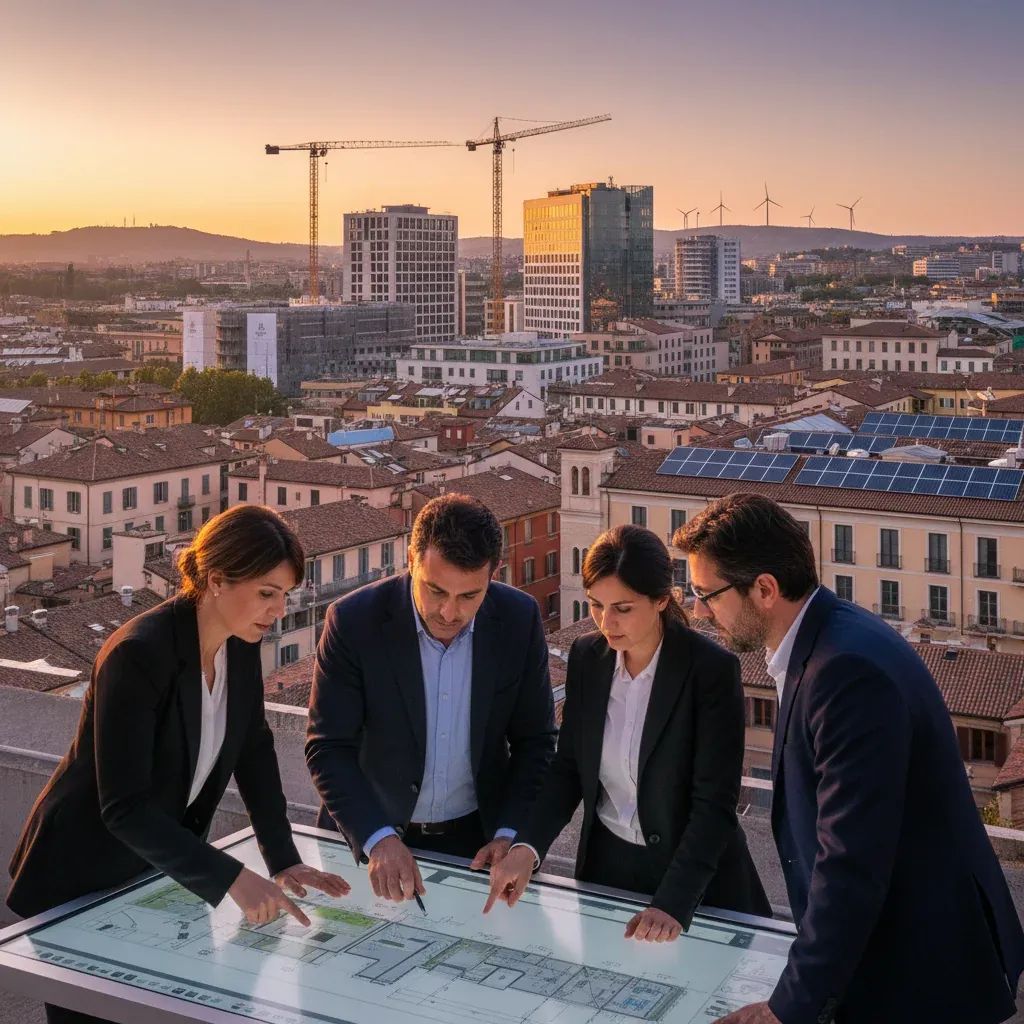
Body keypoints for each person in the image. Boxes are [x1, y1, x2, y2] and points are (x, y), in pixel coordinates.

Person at [674, 492, 1024, 1024]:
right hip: (900, 953)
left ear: (764, 589)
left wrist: (788, 1007)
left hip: (920, 974)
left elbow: (851, 862)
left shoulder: (843, 673)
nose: (698, 610)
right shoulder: (829, 636)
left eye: (707, 594)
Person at [7, 506, 350, 1024]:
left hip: (155, 869)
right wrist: (231, 878)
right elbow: (123, 808)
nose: (279, 610)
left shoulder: (240, 646)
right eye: (267, 593)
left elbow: (253, 750)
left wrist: (282, 858)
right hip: (81, 872)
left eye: (284, 594)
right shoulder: (138, 654)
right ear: (216, 580)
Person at [484, 524, 770, 941]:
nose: (606, 622)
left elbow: (714, 806)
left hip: (697, 886)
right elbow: (568, 769)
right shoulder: (587, 657)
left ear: (661, 600)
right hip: (607, 871)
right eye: (596, 605)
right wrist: (527, 848)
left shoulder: (711, 670)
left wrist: (672, 903)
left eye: (622, 608)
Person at [306, 493, 557, 904]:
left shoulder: (519, 618)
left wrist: (510, 833)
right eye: (436, 590)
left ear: (494, 574)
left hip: (478, 849)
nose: (449, 612)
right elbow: (328, 748)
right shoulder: (352, 621)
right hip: (367, 845)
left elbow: (536, 743)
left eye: (469, 596)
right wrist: (377, 838)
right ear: (411, 560)